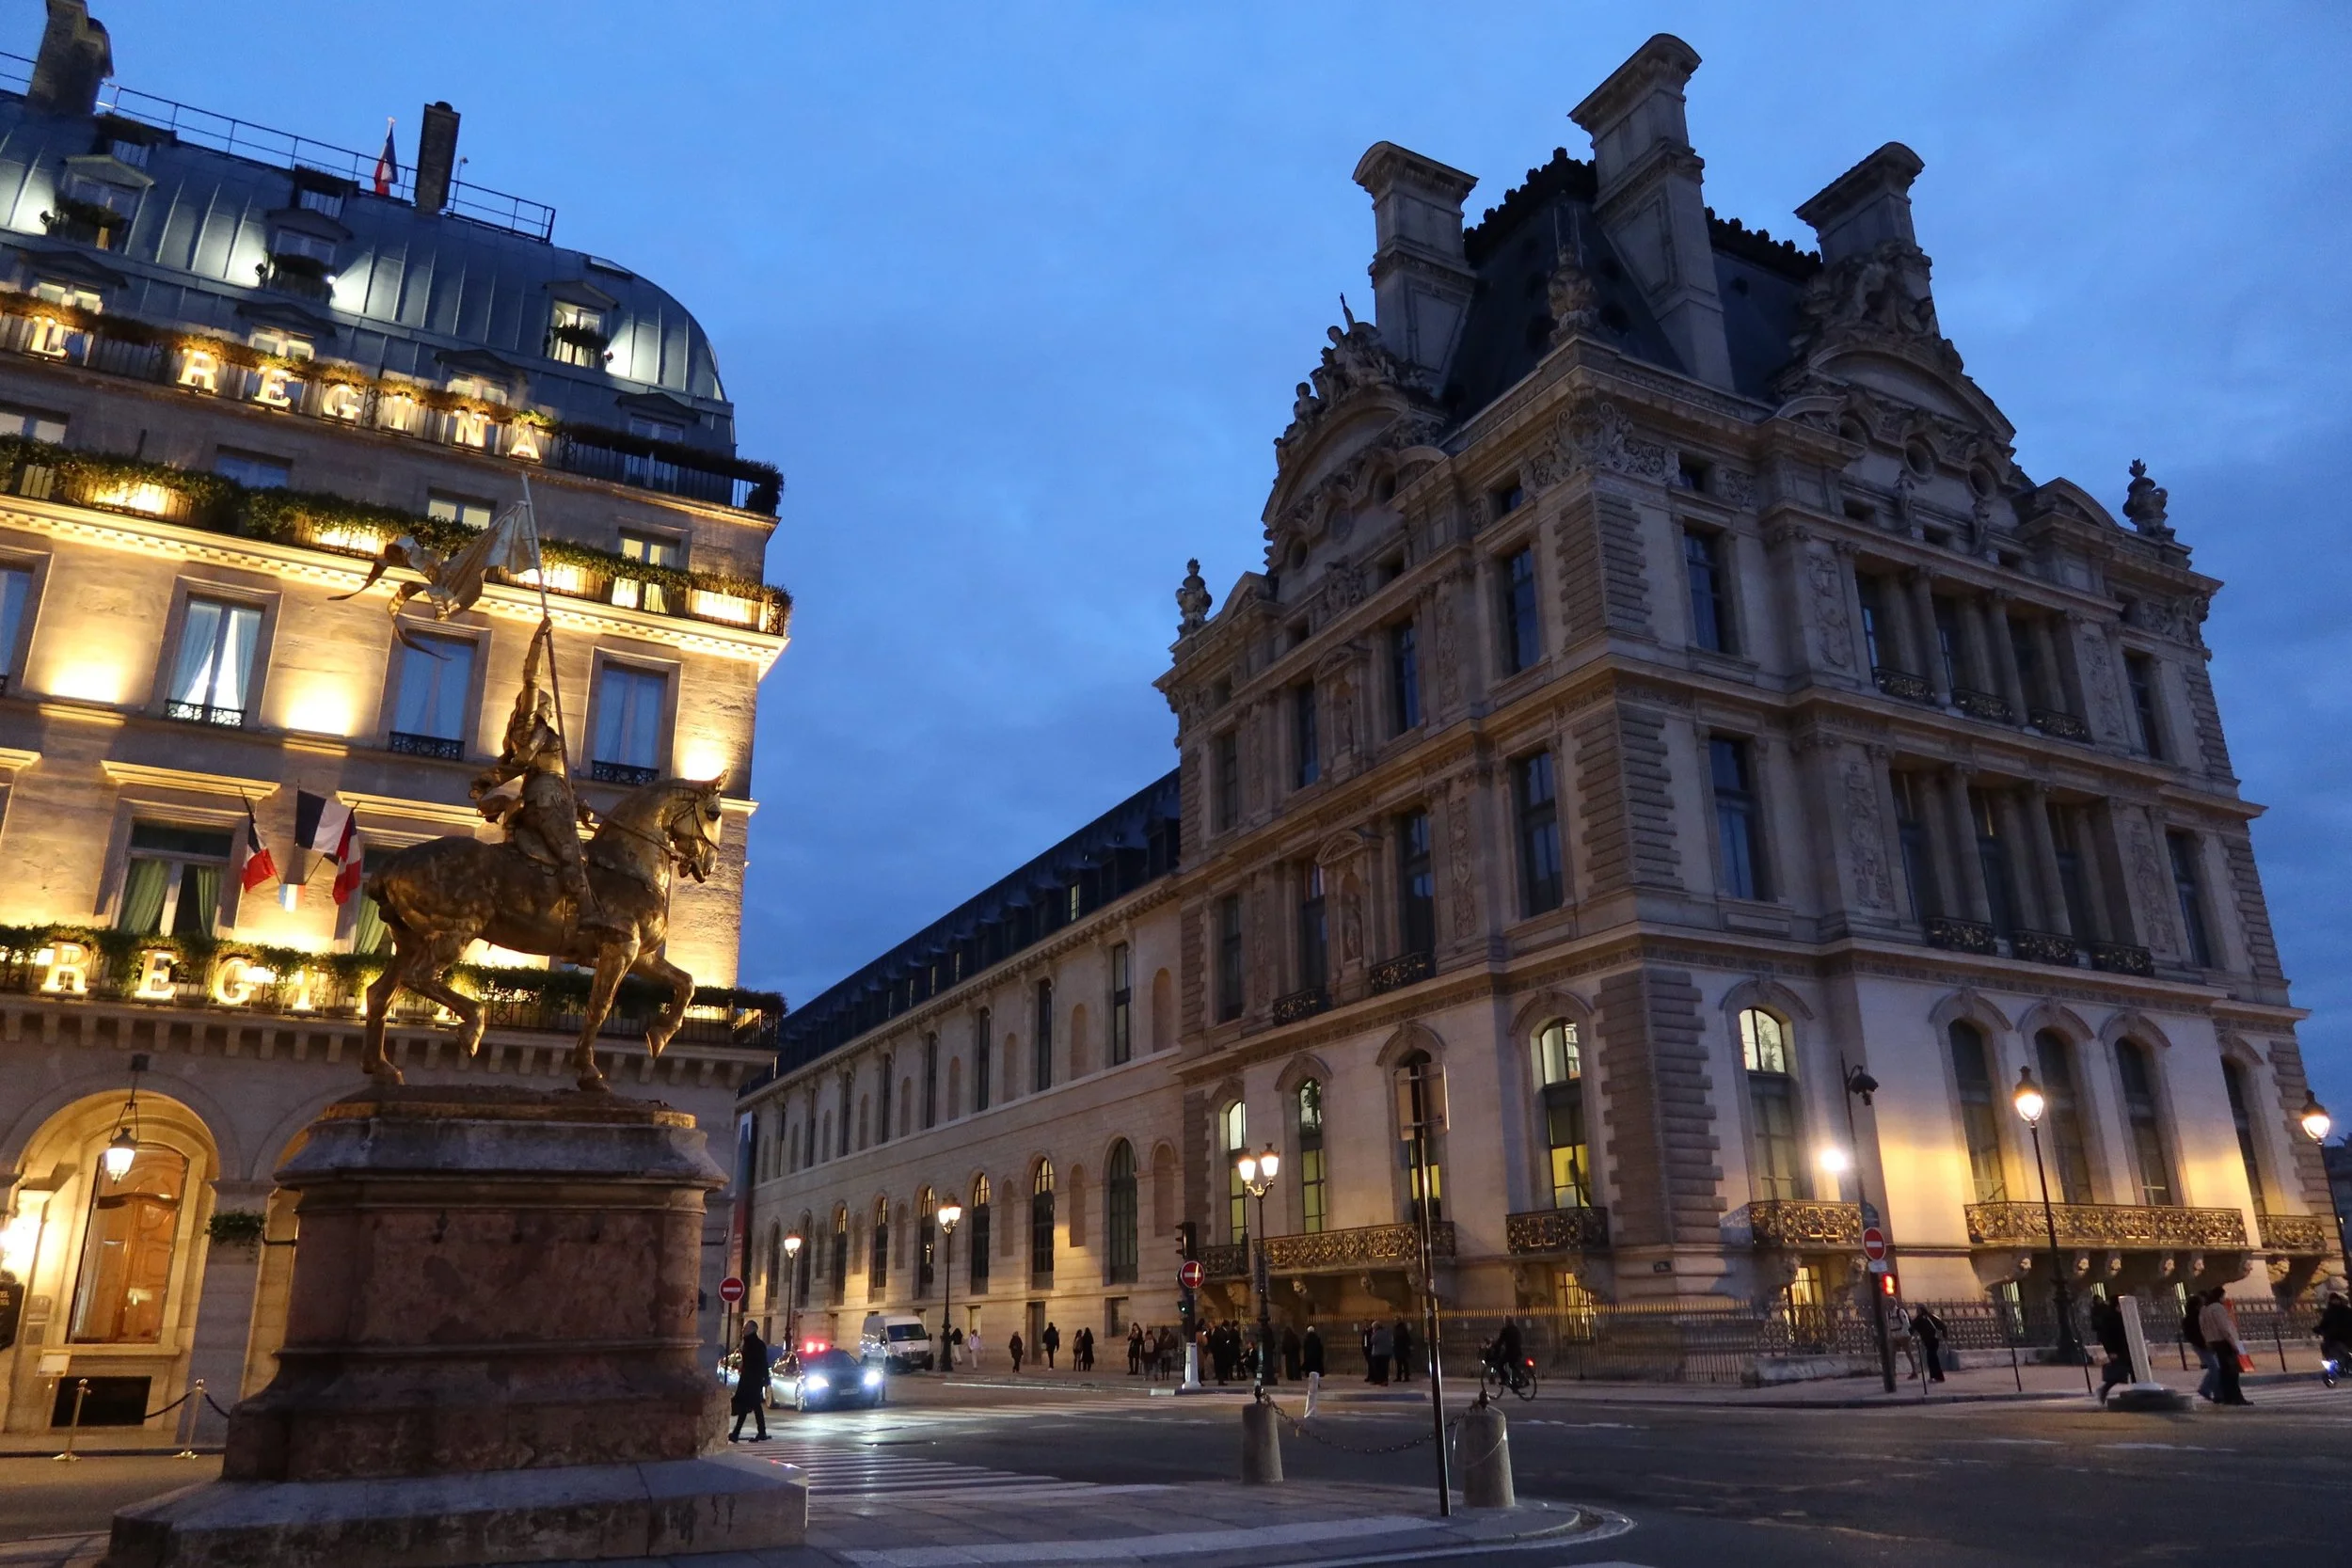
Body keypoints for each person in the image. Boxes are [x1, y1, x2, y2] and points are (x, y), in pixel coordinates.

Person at [2199, 1289, 2250, 1406]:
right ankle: (2236, 1397)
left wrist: (2208, 1341)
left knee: (2224, 1372)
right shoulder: (2218, 1308)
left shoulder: (2205, 1309)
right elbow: (2225, 1328)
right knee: (2232, 1372)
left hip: (2214, 1342)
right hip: (2224, 1342)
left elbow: (2203, 1328)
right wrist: (2234, 1344)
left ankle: (2227, 1397)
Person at [728, 1323, 771, 1442]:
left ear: (752, 1330)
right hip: (751, 1379)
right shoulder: (749, 1343)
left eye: (745, 1328)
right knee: (747, 1406)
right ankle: (740, 1433)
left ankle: (758, 1432)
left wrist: (764, 1379)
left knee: (750, 1406)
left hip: (751, 1380)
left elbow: (762, 1363)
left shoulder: (753, 1344)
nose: (743, 1330)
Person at [2091, 1296, 2134, 1402]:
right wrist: (2110, 1352)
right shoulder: (2109, 1317)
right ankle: (2104, 1390)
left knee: (2133, 1371)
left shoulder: (2122, 1316)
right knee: (2118, 1373)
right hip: (2117, 1350)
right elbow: (2105, 1336)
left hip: (2126, 1348)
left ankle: (2135, 1391)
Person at [2314, 1291, 2352, 1387]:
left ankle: (2344, 1369)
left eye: (2336, 1300)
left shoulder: (2345, 1311)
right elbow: (2323, 1324)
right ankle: (2338, 1370)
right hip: (2334, 1340)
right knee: (2337, 1355)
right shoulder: (2329, 1312)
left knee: (2346, 1354)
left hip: (2343, 1339)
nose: (2335, 1302)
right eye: (2333, 1300)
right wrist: (2318, 1329)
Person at [2183, 1292, 2215, 1401]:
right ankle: (2205, 1389)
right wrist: (2204, 1343)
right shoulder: (2196, 1317)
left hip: (2201, 1345)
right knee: (2215, 1368)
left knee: (2214, 1368)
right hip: (2203, 1345)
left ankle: (2213, 1391)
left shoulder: (2191, 1317)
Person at [1909, 1303, 1947, 1383]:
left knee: (1931, 1358)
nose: (1917, 1311)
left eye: (1918, 1309)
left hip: (1930, 1340)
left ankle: (1937, 1377)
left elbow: (1911, 1329)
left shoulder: (1920, 1318)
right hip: (1933, 1340)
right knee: (1932, 1358)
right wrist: (1944, 1336)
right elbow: (1942, 1326)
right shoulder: (1930, 1316)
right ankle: (1936, 1376)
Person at [1494, 1315, 1526, 1390]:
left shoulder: (1505, 1330)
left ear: (1506, 1321)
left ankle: (1504, 1380)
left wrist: (1496, 1349)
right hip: (1518, 1351)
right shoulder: (1516, 1329)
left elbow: (1500, 1342)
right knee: (1512, 1366)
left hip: (1510, 1352)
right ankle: (1515, 1382)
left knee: (1500, 1364)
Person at [1302, 1323, 1327, 1413]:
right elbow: (1321, 1349)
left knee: (1310, 1372)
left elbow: (1305, 1349)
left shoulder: (1307, 1339)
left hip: (1309, 1358)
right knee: (1316, 1372)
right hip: (1316, 1359)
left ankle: (1311, 1384)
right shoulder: (1317, 1338)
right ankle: (1317, 1383)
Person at [1369, 1320, 1393, 1386]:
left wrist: (1373, 1333)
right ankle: (1385, 1380)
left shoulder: (1377, 1333)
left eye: (1373, 1328)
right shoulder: (1387, 1332)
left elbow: (1372, 1341)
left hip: (1378, 1353)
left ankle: (1379, 1380)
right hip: (1387, 1352)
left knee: (1378, 1368)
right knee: (1385, 1368)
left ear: (1376, 1327)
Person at [1391, 1317, 1415, 1385]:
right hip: (1398, 1348)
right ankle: (1399, 1377)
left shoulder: (1402, 1328)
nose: (1395, 1322)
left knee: (1404, 1363)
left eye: (1396, 1321)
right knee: (1399, 1364)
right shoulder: (1396, 1328)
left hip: (1402, 1348)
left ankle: (1406, 1377)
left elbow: (1406, 1338)